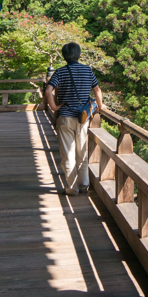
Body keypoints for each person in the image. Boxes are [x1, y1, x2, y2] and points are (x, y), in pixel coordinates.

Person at [45, 42, 103, 196]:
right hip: (82, 117)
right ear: (79, 55)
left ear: (64, 56)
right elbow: (97, 89)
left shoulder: (60, 72)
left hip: (65, 117)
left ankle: (72, 188)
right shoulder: (87, 70)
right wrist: (100, 106)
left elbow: (48, 90)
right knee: (82, 151)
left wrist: (54, 107)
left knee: (68, 154)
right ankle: (84, 185)